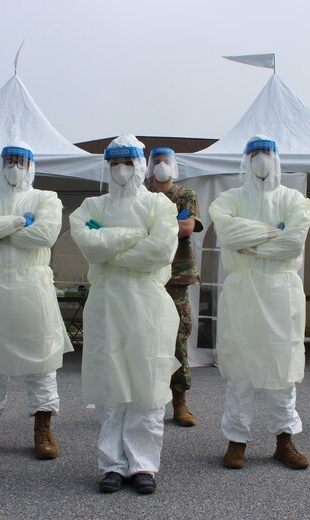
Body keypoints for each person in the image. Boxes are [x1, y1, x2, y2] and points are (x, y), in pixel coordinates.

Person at [70, 135, 179, 495]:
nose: (120, 170)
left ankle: (143, 464)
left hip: (148, 302)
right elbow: (86, 242)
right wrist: (135, 236)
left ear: (139, 166)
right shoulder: (91, 205)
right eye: (114, 164)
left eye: (127, 163)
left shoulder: (160, 206)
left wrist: (109, 246)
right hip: (106, 302)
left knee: (146, 381)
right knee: (110, 381)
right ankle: (112, 464)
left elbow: (161, 250)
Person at [0, 143, 73, 459]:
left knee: (42, 360)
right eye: (9, 161)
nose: (15, 167)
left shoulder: (46, 198)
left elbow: (46, 235)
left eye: (21, 161)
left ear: (31, 166)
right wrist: (20, 221)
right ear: (0, 164)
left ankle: (43, 428)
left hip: (33, 284)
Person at [208, 135, 310, 470]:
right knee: (240, 366)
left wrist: (251, 242)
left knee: (283, 366)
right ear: (246, 160)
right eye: (255, 154)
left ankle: (285, 440)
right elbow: (229, 235)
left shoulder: (295, 200)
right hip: (242, 291)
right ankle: (236, 441)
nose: (261, 159)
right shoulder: (228, 199)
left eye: (267, 153)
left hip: (282, 290)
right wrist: (274, 232)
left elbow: (294, 243)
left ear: (276, 159)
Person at [146, 146, 203, 427]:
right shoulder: (141, 194)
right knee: (144, 335)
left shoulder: (185, 195)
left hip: (177, 277)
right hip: (145, 274)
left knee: (178, 337)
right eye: (156, 161)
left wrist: (151, 226)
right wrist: (171, 222)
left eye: (165, 161)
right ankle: (145, 399)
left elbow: (187, 229)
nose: (160, 165)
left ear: (173, 165)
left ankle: (179, 402)